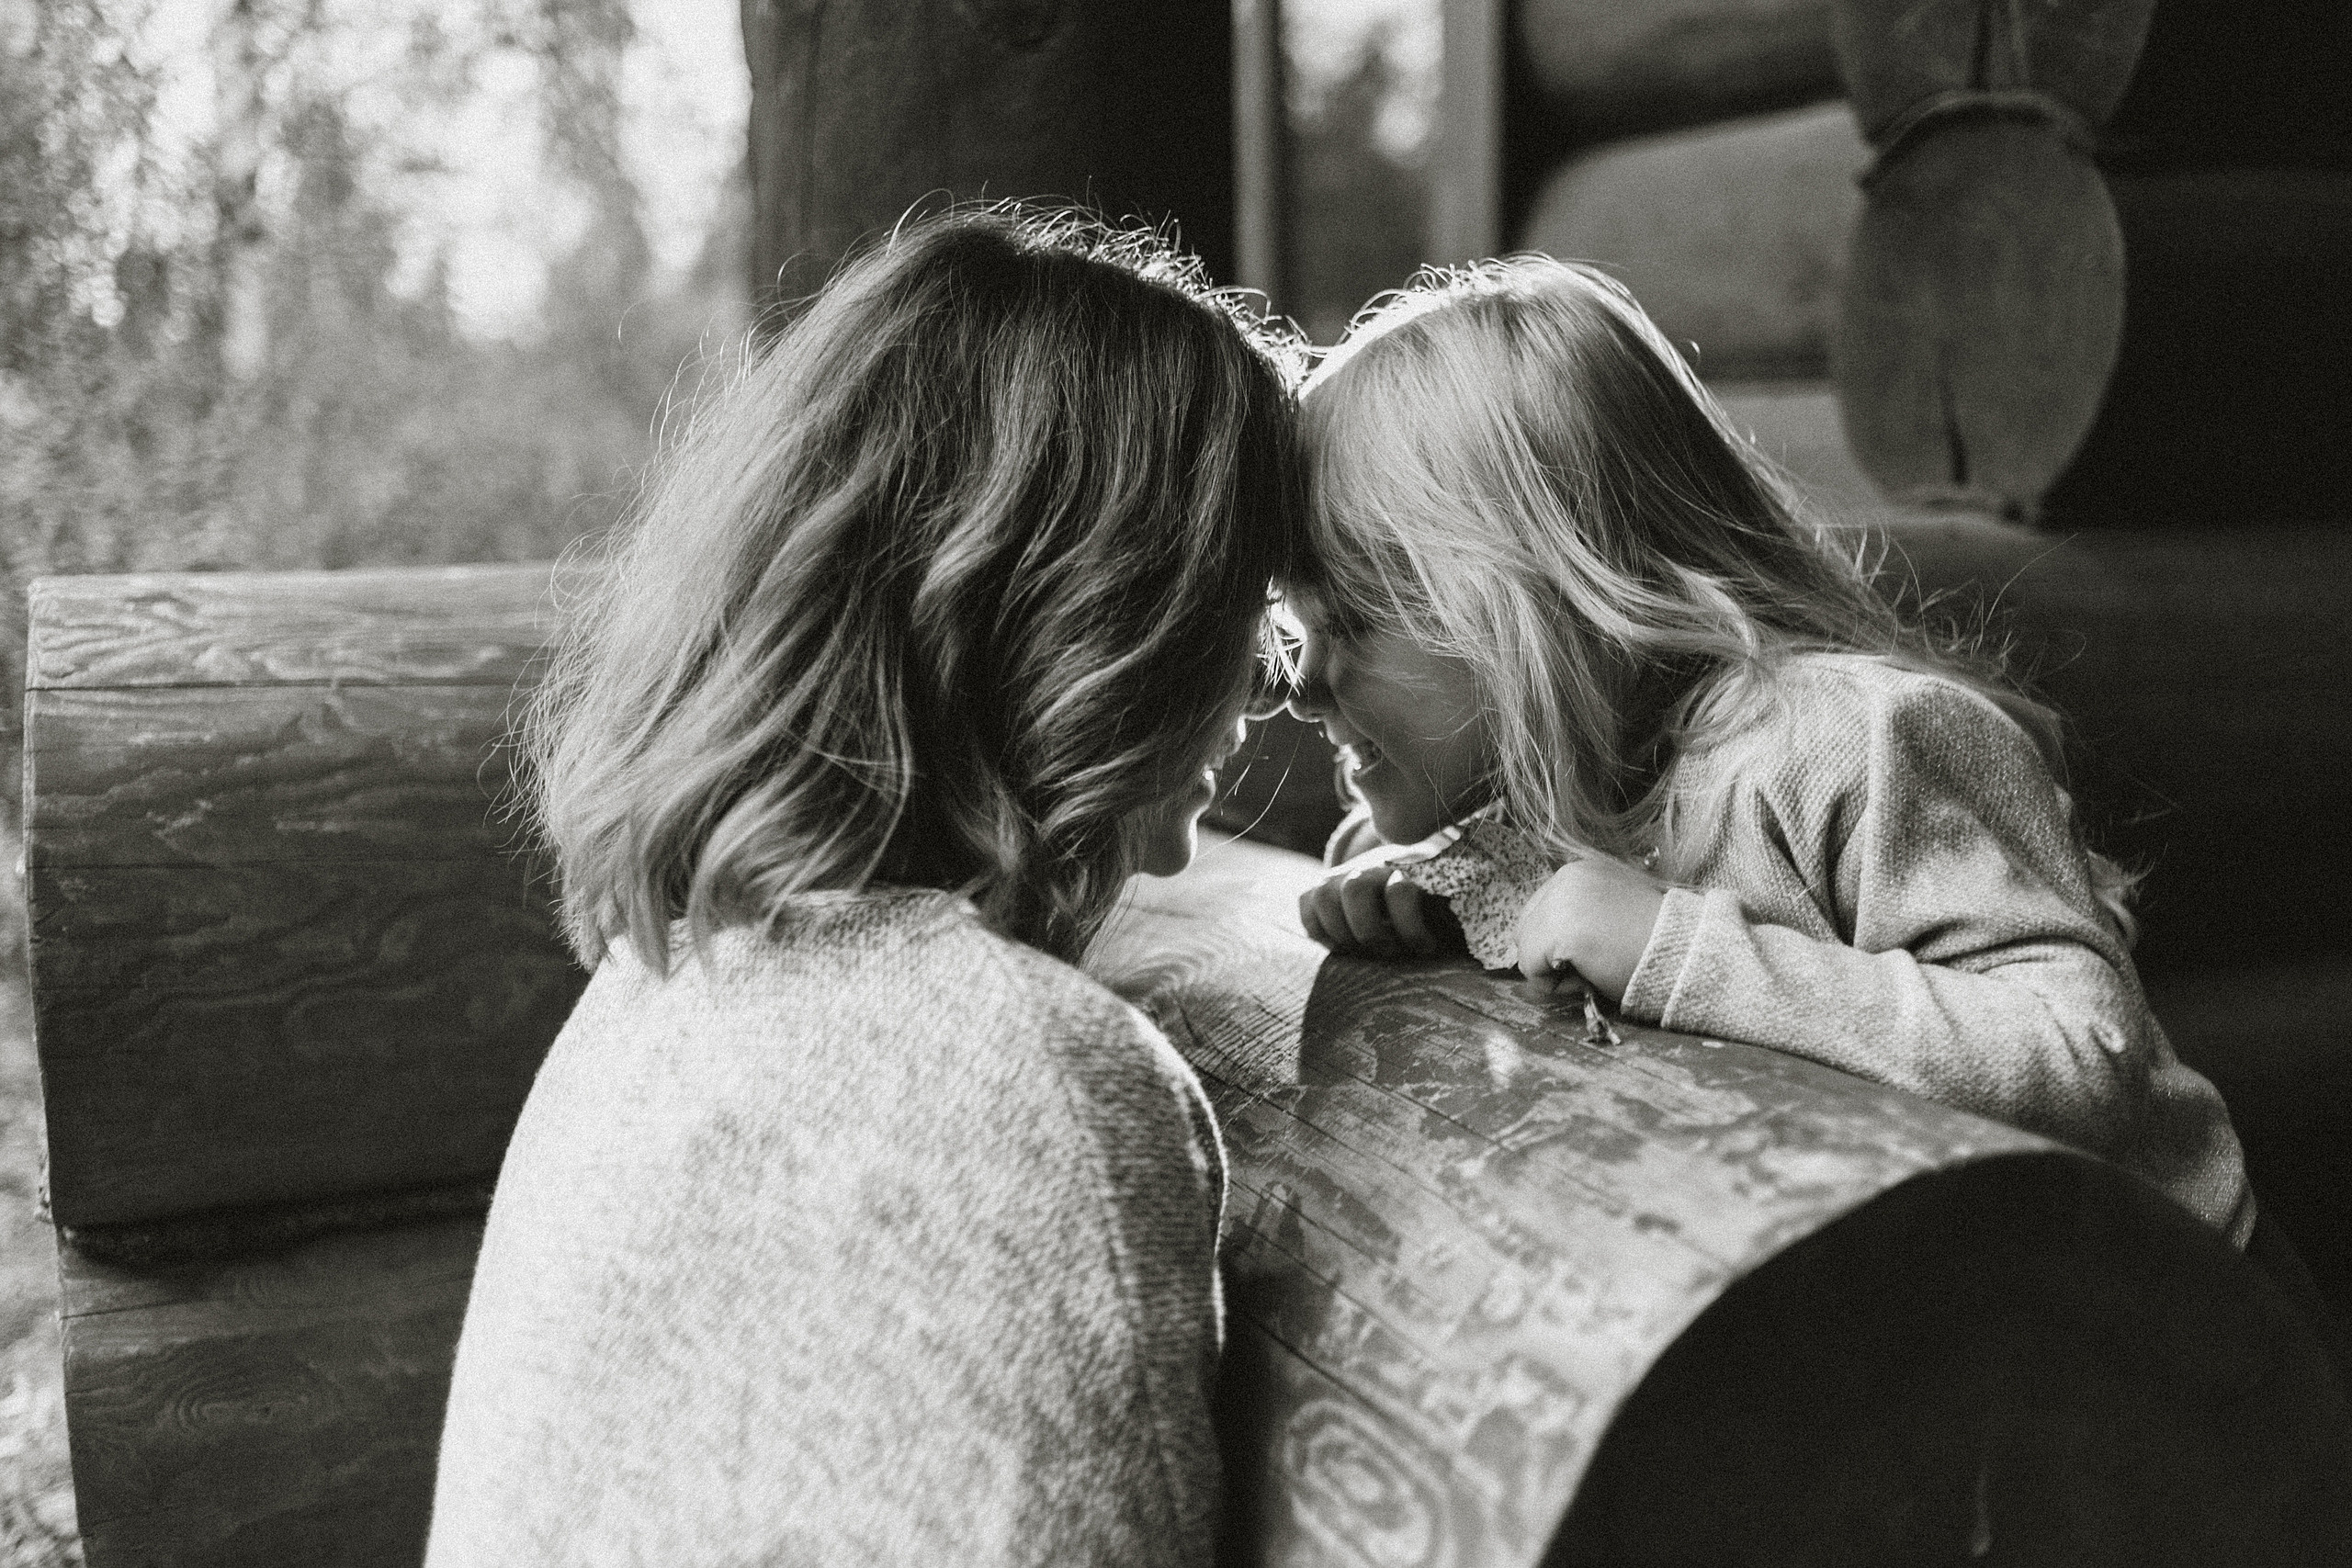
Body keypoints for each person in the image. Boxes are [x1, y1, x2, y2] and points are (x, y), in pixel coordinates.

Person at [425, 209, 1304, 1566]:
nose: (1270, 677)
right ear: (1108, 617)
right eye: (1242, 602)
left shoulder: (658, 991)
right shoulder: (1038, 1082)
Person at [1282, 255, 2256, 1251]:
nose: (1298, 684)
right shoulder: (1547, 781)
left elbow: (2083, 1061)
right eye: (1293, 630)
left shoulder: (1853, 744)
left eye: (1352, 620)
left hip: (2168, 1326)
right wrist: (1428, 889)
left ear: (1534, 602)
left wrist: (1681, 953)